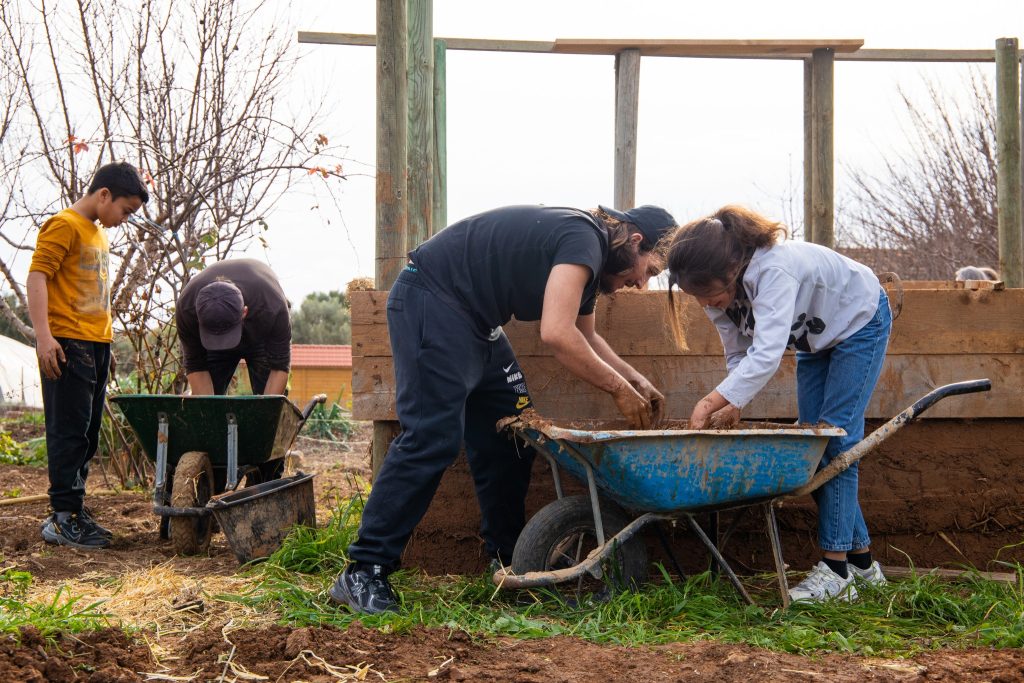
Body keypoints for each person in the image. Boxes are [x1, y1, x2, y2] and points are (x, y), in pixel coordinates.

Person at [330, 203, 677, 614]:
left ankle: (511, 559)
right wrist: (618, 390)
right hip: (434, 299)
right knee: (432, 438)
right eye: (650, 271)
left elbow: (587, 335)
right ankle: (364, 570)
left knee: (513, 433)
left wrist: (636, 380)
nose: (641, 284)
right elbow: (556, 333)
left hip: (479, 324)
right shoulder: (584, 237)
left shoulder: (594, 263)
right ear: (635, 242)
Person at [665, 205, 891, 603]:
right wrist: (733, 403)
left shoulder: (773, 270)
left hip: (858, 323)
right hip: (814, 341)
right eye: (696, 297)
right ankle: (863, 566)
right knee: (814, 446)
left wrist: (709, 402)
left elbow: (767, 354)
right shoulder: (718, 296)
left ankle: (836, 572)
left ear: (730, 270)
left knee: (837, 441)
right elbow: (739, 356)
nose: (705, 304)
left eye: (707, 294)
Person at [27, 161, 149, 549]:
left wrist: (105, 345)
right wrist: (44, 337)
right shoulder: (64, 225)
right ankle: (62, 518)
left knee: (87, 433)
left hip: (94, 345)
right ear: (103, 195)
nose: (124, 219)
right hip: (66, 343)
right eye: (125, 211)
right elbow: (37, 277)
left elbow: (93, 296)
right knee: (68, 431)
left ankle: (75, 511)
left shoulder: (97, 233)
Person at [175, 259, 291, 396]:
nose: (224, 343)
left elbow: (279, 367)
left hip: (260, 333)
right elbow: (197, 365)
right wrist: (205, 412)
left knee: (265, 401)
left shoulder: (272, 305)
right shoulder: (186, 309)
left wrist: (268, 414)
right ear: (197, 317)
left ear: (244, 312)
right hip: (213, 347)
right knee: (211, 401)